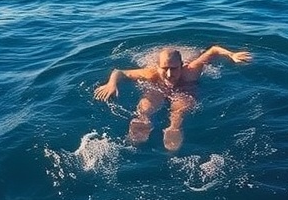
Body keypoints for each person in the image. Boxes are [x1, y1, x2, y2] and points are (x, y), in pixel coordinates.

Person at [93, 46, 252, 151]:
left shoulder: (191, 70)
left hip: (185, 89)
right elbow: (120, 72)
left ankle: (174, 127)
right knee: (147, 106)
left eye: (174, 68)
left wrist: (232, 55)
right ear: (158, 66)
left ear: (181, 65)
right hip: (158, 89)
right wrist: (111, 84)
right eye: (165, 69)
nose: (169, 74)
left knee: (180, 109)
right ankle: (143, 119)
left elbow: (213, 51)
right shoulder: (151, 73)